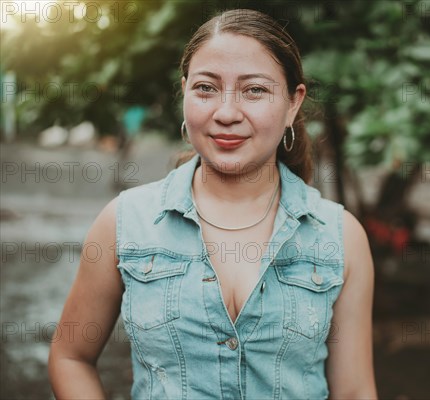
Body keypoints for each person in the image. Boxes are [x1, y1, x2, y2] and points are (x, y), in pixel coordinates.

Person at [48, 9, 377, 399]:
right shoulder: (125, 222)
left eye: (254, 90)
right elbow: (70, 357)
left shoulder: (340, 236)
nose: (226, 114)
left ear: (292, 103)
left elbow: (354, 391)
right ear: (185, 91)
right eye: (206, 88)